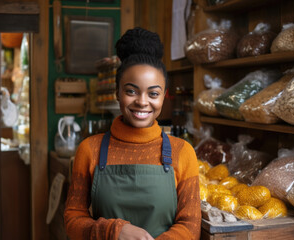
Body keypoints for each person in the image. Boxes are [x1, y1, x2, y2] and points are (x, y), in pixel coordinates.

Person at [64, 27, 201, 240]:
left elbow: (191, 225)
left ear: (164, 96)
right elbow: (73, 219)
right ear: (117, 93)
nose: (142, 102)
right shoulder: (90, 149)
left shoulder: (182, 152)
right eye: (131, 91)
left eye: (153, 93)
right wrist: (114, 231)